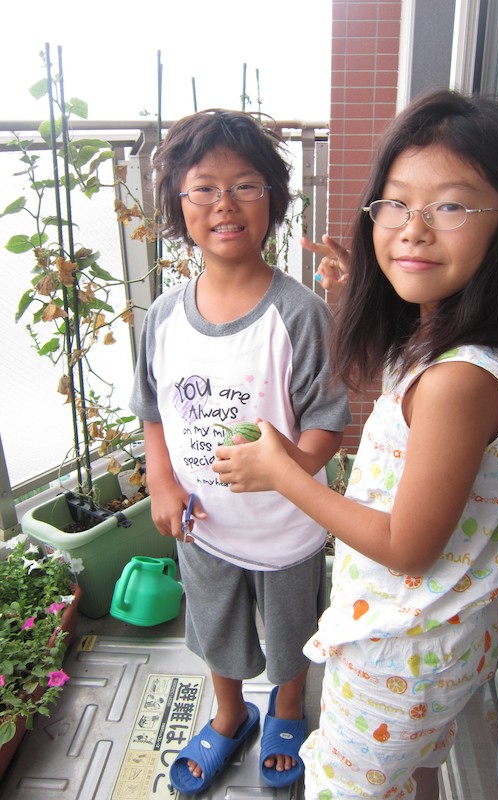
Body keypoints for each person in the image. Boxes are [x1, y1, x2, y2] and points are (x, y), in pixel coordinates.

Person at [212, 89, 498, 800]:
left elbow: (406, 546)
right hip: (439, 637)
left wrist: (283, 473)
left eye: (451, 206)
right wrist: (355, 283)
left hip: (401, 652)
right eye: (395, 204)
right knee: (410, 775)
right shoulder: (451, 341)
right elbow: (403, 395)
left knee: (343, 786)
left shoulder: (458, 381)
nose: (413, 231)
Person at [129, 109, 351, 795]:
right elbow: (153, 412)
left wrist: (290, 468)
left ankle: (287, 707)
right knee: (215, 629)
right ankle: (229, 715)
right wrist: (161, 483)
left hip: (286, 530)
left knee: (292, 633)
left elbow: (328, 423)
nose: (225, 203)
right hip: (202, 526)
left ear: (273, 200)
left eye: (246, 185)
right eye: (204, 187)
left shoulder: (299, 313)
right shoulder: (164, 317)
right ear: (178, 205)